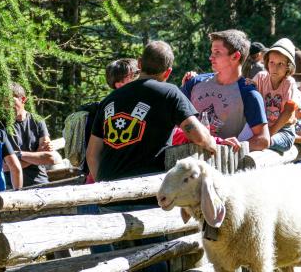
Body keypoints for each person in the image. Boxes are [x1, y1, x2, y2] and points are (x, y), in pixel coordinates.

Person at [87, 40, 216, 183]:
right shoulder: (169, 93)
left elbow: (92, 155)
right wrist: (212, 144)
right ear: (168, 72)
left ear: (140, 63)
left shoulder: (108, 100)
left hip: (109, 197)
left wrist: (103, 185)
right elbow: (198, 136)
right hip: (148, 191)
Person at [181, 29, 270, 151]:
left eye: (217, 52)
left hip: (222, 164)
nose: (210, 57)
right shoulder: (194, 82)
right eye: (212, 52)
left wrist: (237, 146)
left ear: (235, 56)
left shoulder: (249, 94)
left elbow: (263, 140)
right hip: (184, 158)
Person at [0, 83, 58, 188]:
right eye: (4, 102)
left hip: (39, 182)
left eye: (11, 101)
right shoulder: (0, 125)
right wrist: (37, 155)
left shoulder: (37, 121)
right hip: (11, 185)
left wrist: (18, 155)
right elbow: (5, 166)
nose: (7, 106)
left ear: (23, 99)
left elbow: (49, 158)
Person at [250, 38, 299, 153]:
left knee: (262, 143)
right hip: (262, 129)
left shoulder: (289, 83)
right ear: (267, 62)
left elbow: (288, 111)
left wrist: (269, 133)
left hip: (283, 131)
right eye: (272, 62)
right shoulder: (261, 77)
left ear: (288, 66)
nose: (275, 68)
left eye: (280, 64)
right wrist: (247, 86)